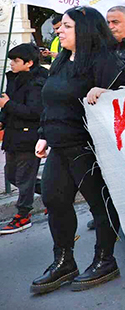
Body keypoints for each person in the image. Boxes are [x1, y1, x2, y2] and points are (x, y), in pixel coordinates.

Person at [31, 6, 125, 294]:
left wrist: (108, 93)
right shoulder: (61, 60)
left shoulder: (105, 61)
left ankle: (105, 259)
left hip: (89, 147)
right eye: (61, 26)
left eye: (67, 26)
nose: (59, 31)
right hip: (59, 145)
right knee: (54, 201)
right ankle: (64, 261)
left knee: (100, 205)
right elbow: (51, 101)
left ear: (86, 30)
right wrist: (43, 135)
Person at [0, 43, 48, 235]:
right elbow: (8, 105)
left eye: (16, 60)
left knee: (24, 178)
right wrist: (2, 119)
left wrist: (8, 104)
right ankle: (53, 193)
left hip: (29, 137)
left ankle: (22, 215)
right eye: (11, 60)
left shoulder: (37, 83)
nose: (12, 63)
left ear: (29, 63)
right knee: (12, 175)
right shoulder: (14, 78)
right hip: (13, 136)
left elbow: (34, 112)